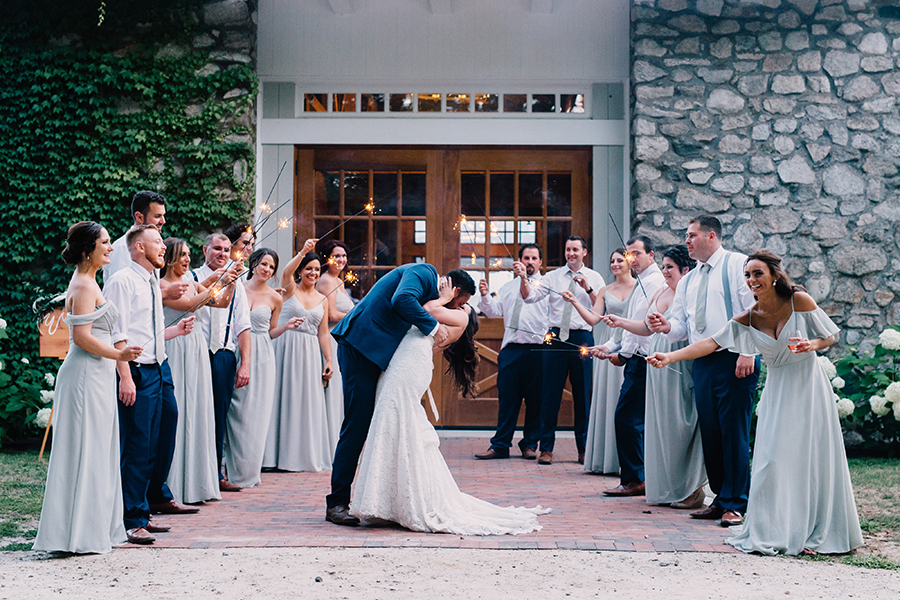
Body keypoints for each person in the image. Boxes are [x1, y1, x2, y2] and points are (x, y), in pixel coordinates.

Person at [648, 251, 863, 555]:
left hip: (807, 385)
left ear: (774, 275)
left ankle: (814, 529)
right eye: (748, 275)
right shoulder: (748, 318)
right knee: (771, 461)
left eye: (758, 274)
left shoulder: (798, 301)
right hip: (778, 391)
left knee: (810, 456)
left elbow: (830, 336)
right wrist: (669, 356)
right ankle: (776, 529)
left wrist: (810, 344)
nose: (752, 280)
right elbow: (710, 342)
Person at [350, 284, 549, 534]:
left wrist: (444, 297)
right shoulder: (446, 316)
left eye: (462, 303)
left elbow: (427, 309)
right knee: (394, 422)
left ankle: (402, 500)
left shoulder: (461, 316)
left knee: (397, 418)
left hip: (410, 365)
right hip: (403, 361)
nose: (457, 304)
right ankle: (388, 499)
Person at [326, 263, 469, 526]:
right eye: (460, 302)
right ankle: (336, 502)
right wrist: (435, 328)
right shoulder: (424, 272)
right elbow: (401, 299)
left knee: (374, 426)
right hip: (359, 346)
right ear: (454, 290)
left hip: (374, 353)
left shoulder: (430, 296)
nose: (457, 309)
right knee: (357, 426)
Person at [33, 222, 143, 554]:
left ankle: (90, 529)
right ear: (87, 249)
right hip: (83, 376)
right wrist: (119, 354)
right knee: (83, 450)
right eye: (105, 242)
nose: (111, 247)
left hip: (97, 375)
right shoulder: (82, 285)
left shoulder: (92, 281)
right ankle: (74, 535)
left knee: (97, 450)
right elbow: (80, 339)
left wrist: (117, 360)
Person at [647, 216, 759, 527]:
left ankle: (736, 503)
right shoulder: (689, 280)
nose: (687, 240)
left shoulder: (737, 264)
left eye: (691, 235)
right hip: (703, 361)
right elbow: (683, 326)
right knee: (710, 431)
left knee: (733, 431)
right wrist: (667, 326)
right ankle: (720, 498)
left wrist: (748, 350)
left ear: (711, 236)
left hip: (735, 357)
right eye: (686, 235)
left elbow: (754, 309)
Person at [104, 225, 196, 545]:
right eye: (157, 242)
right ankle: (132, 521)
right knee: (137, 446)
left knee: (154, 441)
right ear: (139, 248)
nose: (163, 246)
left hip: (159, 367)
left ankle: (143, 511)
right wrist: (126, 376)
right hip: (137, 373)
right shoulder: (122, 281)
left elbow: (151, 331)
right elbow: (118, 332)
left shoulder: (151, 282)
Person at [600, 245, 706, 507]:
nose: (666, 271)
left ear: (685, 270)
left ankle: (693, 488)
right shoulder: (659, 291)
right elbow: (646, 328)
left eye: (670, 267)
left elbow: (691, 329)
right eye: (665, 266)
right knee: (662, 427)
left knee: (681, 425)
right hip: (655, 365)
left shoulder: (687, 293)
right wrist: (620, 321)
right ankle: (669, 485)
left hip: (678, 362)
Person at [580, 236, 665, 496]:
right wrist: (611, 348)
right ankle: (635, 477)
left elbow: (644, 327)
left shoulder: (653, 283)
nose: (631, 259)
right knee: (630, 419)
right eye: (629, 254)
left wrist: (623, 355)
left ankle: (635, 479)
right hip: (632, 357)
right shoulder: (641, 282)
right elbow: (630, 326)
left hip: (642, 360)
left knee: (628, 419)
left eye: (636, 253)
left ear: (651, 255)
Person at [521, 236, 604, 465]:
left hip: (582, 339)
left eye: (575, 249)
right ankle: (546, 448)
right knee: (550, 395)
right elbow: (530, 298)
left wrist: (587, 288)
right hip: (555, 339)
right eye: (568, 250)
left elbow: (602, 307)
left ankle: (584, 449)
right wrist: (523, 278)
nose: (571, 254)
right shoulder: (552, 277)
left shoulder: (595, 277)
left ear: (584, 252)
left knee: (583, 395)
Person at [160, 238, 229, 505]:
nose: (187, 260)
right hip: (176, 347)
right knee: (179, 410)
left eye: (188, 255)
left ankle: (197, 482)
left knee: (198, 408)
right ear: (169, 259)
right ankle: (173, 483)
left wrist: (229, 277)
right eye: (182, 255)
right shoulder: (165, 285)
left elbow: (220, 302)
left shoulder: (190, 279)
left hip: (196, 348)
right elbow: (190, 304)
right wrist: (216, 281)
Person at [226, 248, 303, 486]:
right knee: (228, 410)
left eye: (271, 267)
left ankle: (246, 472)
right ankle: (222, 468)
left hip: (260, 355)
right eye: (263, 264)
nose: (266, 269)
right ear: (254, 264)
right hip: (232, 349)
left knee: (253, 413)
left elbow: (270, 332)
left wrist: (287, 326)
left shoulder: (275, 297)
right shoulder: (236, 287)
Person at [564, 248, 636, 474]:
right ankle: (609, 459)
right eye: (612, 261)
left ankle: (631, 459)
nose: (615, 264)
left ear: (630, 262)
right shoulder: (606, 290)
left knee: (629, 406)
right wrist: (576, 301)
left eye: (619, 260)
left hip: (633, 342)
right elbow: (594, 319)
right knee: (610, 400)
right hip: (609, 342)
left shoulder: (640, 287)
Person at [474, 243, 548, 460]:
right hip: (511, 350)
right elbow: (494, 312)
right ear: (520, 261)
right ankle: (500, 445)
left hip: (537, 349)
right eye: (526, 258)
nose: (530, 262)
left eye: (534, 258)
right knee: (508, 400)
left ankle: (530, 445)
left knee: (535, 400)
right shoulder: (508, 288)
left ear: (540, 262)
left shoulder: (545, 285)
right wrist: (485, 296)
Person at [191, 231, 252, 492]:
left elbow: (243, 324)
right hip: (196, 353)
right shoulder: (193, 276)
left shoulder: (237, 280)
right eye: (217, 248)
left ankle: (215, 475)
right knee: (194, 413)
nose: (222, 254)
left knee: (218, 416)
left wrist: (245, 363)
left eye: (226, 250)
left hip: (224, 355)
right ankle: (192, 473)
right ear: (205, 250)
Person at [265, 245, 334, 472]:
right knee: (281, 398)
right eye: (308, 269)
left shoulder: (323, 299)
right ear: (300, 271)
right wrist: (303, 252)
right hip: (285, 346)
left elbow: (323, 332)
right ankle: (275, 456)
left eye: (316, 269)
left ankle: (302, 456)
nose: (313, 273)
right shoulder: (290, 288)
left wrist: (328, 360)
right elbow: (286, 271)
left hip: (310, 351)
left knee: (307, 401)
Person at [315, 239, 354, 454]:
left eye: (343, 256)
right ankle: (329, 447)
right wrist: (355, 315)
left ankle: (336, 445)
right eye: (336, 255)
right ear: (327, 258)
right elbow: (330, 314)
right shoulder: (327, 281)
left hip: (339, 339)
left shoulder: (338, 281)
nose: (340, 260)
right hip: (329, 338)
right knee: (332, 391)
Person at [104, 190, 168, 281]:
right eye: (157, 216)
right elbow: (120, 287)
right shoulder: (122, 248)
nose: (163, 221)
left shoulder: (155, 245)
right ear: (139, 217)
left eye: (163, 215)